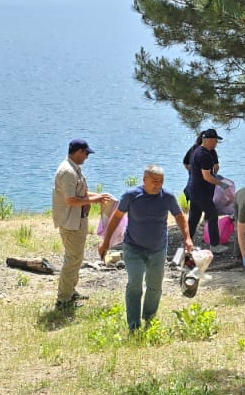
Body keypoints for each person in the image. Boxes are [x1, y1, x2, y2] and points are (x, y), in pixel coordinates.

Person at [98, 165, 195, 331]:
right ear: (144, 180)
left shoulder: (168, 197)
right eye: (154, 181)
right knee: (135, 284)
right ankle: (133, 325)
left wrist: (187, 238)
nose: (158, 185)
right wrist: (106, 242)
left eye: (161, 181)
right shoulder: (132, 195)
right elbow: (116, 217)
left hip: (157, 249)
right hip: (133, 247)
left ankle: (149, 320)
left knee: (155, 286)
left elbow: (179, 216)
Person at [52, 138, 113, 310]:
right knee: (72, 260)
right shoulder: (68, 172)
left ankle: (70, 291)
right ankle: (63, 299)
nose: (87, 157)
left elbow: (82, 193)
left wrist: (99, 196)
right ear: (78, 152)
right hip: (70, 221)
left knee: (76, 258)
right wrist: (96, 200)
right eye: (86, 153)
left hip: (77, 220)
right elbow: (71, 200)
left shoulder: (74, 170)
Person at [186, 128, 227, 252]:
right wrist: (221, 184)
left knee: (193, 219)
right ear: (208, 140)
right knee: (213, 214)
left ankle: (187, 243)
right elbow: (207, 176)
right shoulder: (205, 155)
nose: (216, 143)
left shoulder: (196, 150)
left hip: (193, 190)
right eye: (215, 140)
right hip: (201, 192)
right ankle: (215, 246)